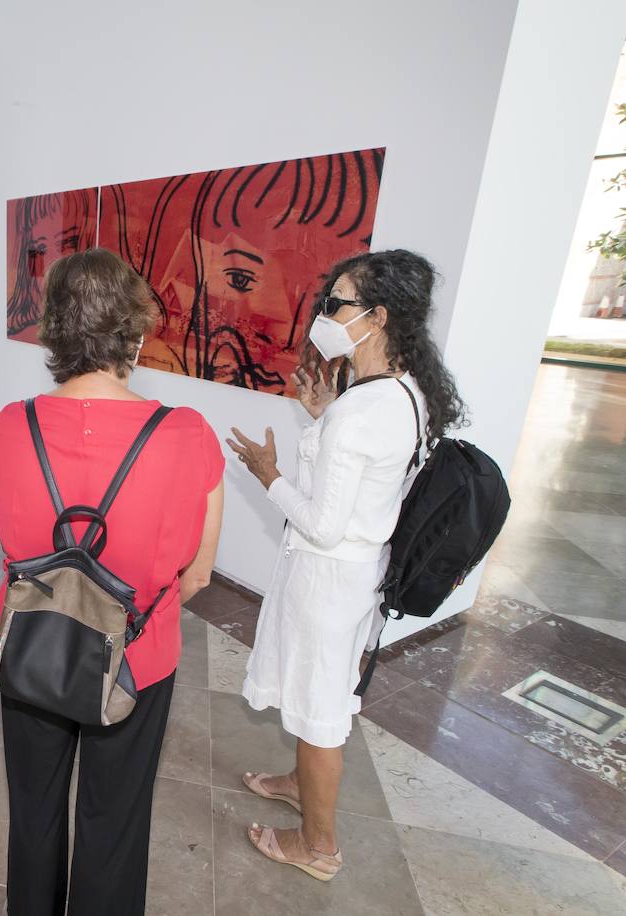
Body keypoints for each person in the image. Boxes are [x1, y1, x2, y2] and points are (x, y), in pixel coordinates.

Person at [0, 248, 225, 915]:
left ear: (52, 333)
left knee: (32, 811)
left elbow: (11, 539)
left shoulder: (11, 426)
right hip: (135, 659)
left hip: (31, 643)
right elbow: (198, 574)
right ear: (135, 333)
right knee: (114, 822)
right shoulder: (186, 434)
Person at [227, 249, 465, 881]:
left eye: (337, 304)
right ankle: (297, 782)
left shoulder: (362, 410)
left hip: (327, 582)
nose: (324, 314)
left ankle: (319, 847)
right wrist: (322, 418)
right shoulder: (400, 395)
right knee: (316, 699)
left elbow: (324, 524)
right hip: (353, 578)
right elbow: (359, 489)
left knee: (319, 715)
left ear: (378, 316)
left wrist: (268, 475)